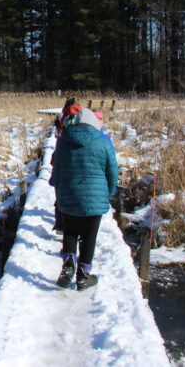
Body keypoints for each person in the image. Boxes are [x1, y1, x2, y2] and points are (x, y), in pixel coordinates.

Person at [49, 108, 118, 290]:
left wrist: (59, 192)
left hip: (69, 193)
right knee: (89, 236)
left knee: (70, 232)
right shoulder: (103, 141)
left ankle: (69, 263)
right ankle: (83, 275)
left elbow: (57, 171)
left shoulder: (64, 140)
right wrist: (108, 193)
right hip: (96, 196)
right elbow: (112, 171)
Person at [51, 98, 81, 232]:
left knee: (60, 195)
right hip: (78, 163)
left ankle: (60, 225)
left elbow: (57, 134)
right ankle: (75, 225)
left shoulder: (62, 116)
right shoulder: (83, 117)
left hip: (61, 158)